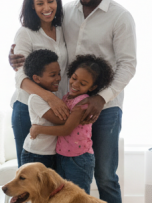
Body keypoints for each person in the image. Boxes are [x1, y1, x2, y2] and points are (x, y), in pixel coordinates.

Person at [11, 0, 136, 203]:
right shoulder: (66, 12)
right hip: (68, 105)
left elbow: (128, 64)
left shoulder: (120, 17)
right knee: (63, 178)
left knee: (105, 176)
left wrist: (101, 98)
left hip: (107, 106)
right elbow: (37, 38)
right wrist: (14, 55)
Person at [8, 0, 68, 203]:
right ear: (31, 6)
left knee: (43, 182)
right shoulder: (26, 32)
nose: (46, 7)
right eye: (40, 3)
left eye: (51, 1)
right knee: (25, 179)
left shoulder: (64, 30)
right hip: (27, 109)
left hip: (54, 108)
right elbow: (20, 76)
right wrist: (49, 97)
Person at [29, 55, 114, 194]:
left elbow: (66, 129)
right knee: (63, 197)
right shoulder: (66, 97)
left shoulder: (83, 103)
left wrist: (38, 129)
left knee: (78, 200)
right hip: (62, 156)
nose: (75, 84)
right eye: (74, 78)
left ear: (92, 87)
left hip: (79, 159)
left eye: (83, 83)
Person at [12, 49, 63, 203]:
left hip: (48, 157)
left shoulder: (54, 96)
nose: (58, 78)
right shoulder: (36, 99)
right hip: (35, 156)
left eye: (59, 73)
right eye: (52, 75)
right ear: (37, 79)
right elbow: (63, 121)